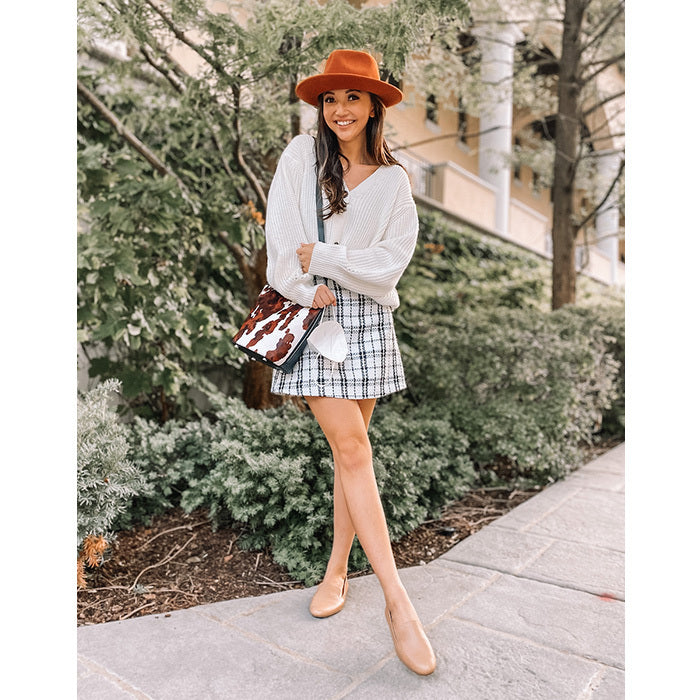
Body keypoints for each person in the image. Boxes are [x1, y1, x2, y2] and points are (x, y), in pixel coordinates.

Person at [264, 49, 436, 676]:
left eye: (353, 98)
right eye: (330, 98)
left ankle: (337, 569)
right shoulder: (299, 159)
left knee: (350, 455)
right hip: (313, 317)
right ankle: (398, 603)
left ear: (374, 107)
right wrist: (309, 282)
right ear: (320, 105)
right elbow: (284, 247)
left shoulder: (394, 179)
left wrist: (329, 260)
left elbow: (391, 264)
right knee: (354, 452)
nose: (339, 109)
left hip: (368, 321)